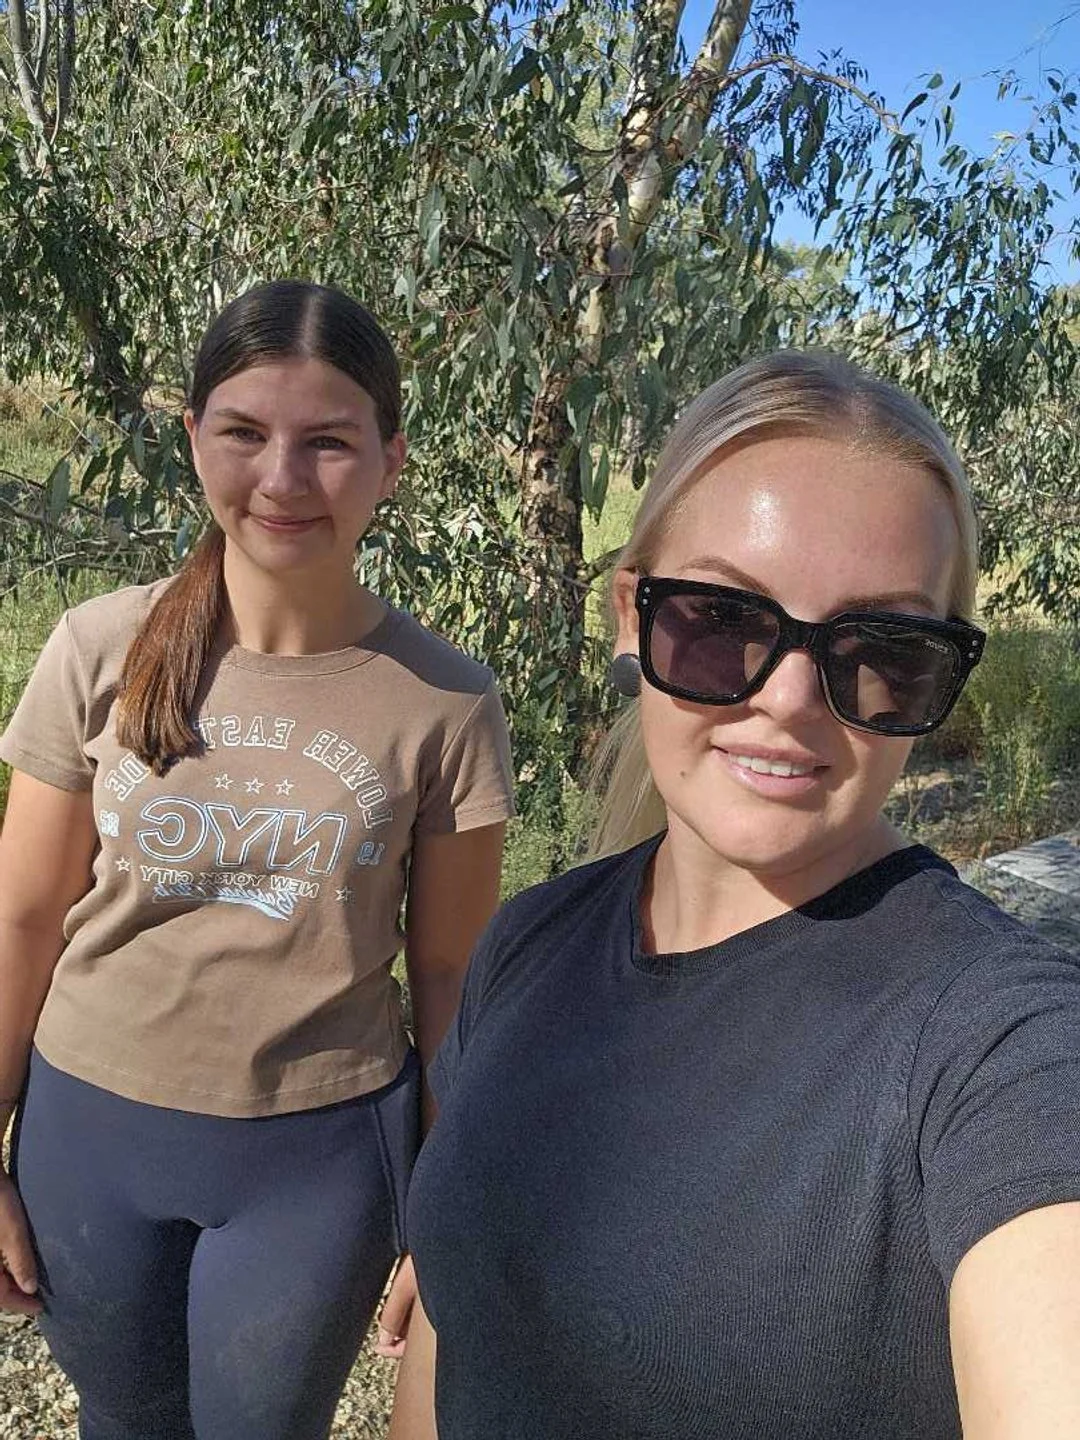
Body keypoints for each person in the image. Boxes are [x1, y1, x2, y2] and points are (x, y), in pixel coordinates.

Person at [389, 349, 1080, 1439]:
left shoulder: (994, 1042)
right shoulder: (530, 944)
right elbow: (450, 1355)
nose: (793, 703)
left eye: (886, 648)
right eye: (721, 621)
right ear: (632, 615)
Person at [0, 280, 515, 1440]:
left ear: (390, 463)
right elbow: (23, 915)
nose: (281, 478)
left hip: (318, 1161)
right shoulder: (98, 647)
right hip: (91, 1134)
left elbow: (447, 977)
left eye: (328, 442)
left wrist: (447, 1197)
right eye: (243, 433)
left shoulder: (445, 703)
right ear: (193, 440)